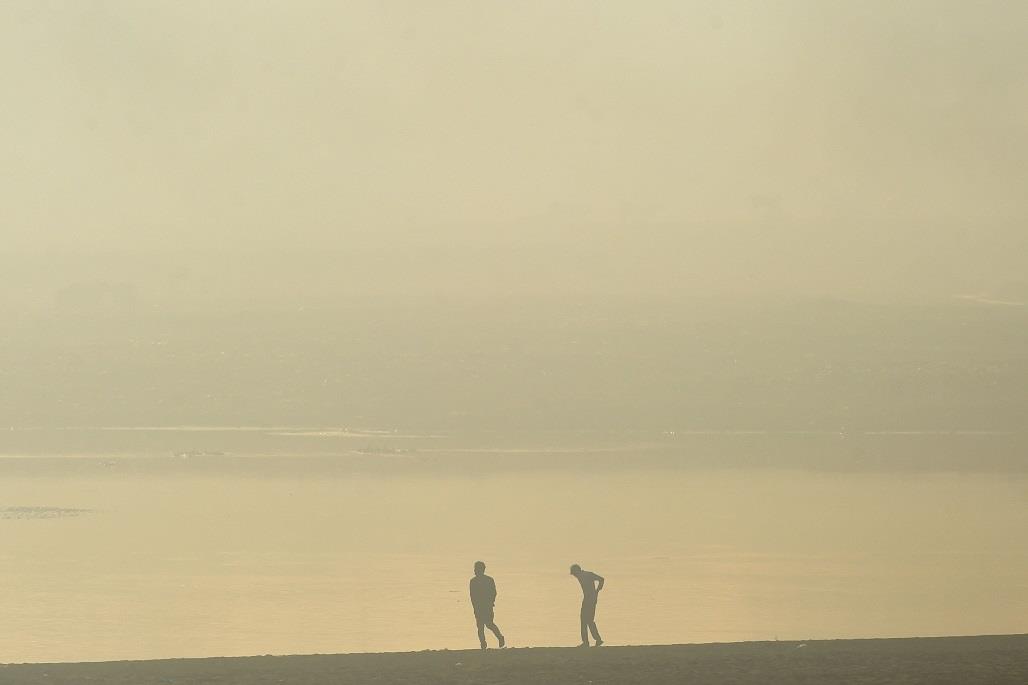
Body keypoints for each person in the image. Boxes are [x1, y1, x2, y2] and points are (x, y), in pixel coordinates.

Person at [469, 561, 505, 649]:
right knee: (480, 626)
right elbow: (472, 596)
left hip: (487, 606)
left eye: (477, 569)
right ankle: (483, 645)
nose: (476, 571)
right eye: (476, 569)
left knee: (489, 624)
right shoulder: (473, 581)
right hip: (478, 607)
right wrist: (475, 607)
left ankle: (500, 637)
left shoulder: (489, 580)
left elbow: (494, 593)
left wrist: (491, 602)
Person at [570, 563, 604, 646]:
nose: (574, 576)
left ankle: (587, 642)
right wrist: (597, 591)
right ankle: (597, 640)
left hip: (589, 600)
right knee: (589, 620)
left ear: (577, 571)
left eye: (574, 573)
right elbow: (601, 579)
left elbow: (601, 579)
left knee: (585, 620)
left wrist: (597, 590)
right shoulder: (587, 574)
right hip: (590, 599)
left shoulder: (584, 575)